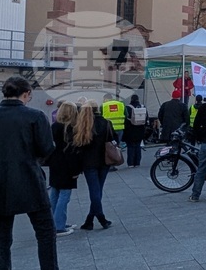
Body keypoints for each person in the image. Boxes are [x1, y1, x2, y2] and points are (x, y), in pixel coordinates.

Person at [0, 76, 88, 270]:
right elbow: (46, 150)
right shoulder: (35, 116)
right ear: (26, 94)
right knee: (45, 233)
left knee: (1, 238)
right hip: (29, 181)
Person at [73, 101, 116, 230]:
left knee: (94, 191)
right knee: (98, 190)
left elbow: (78, 147)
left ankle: (91, 219)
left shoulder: (82, 126)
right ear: (98, 109)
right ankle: (98, 218)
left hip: (88, 163)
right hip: (104, 161)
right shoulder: (106, 123)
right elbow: (115, 140)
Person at [46, 101, 81, 236]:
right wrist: (75, 170)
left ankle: (53, 222)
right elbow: (72, 152)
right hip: (67, 165)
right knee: (65, 195)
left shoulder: (53, 126)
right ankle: (59, 225)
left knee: (55, 193)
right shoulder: (70, 128)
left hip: (55, 163)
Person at [123, 94, 148, 168]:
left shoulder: (128, 108)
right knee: (138, 146)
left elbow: (125, 120)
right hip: (140, 130)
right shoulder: (143, 107)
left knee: (130, 147)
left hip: (130, 130)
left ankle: (130, 163)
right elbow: (146, 119)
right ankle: (137, 162)